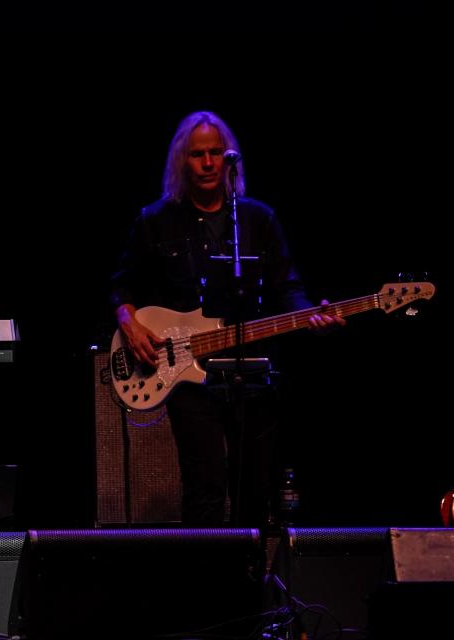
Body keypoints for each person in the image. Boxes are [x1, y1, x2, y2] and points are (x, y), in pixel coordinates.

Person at [109, 111, 343, 527]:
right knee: (205, 488)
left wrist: (311, 315)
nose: (209, 162)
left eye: (216, 152)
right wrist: (129, 322)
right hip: (187, 374)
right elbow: (122, 286)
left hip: (252, 373)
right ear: (182, 161)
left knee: (254, 491)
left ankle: (248, 585)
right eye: (198, 154)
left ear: (229, 159)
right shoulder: (155, 220)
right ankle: (206, 587)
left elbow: (287, 288)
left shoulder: (258, 220)